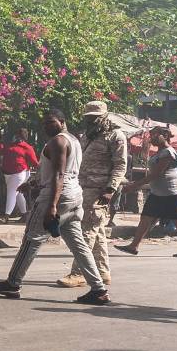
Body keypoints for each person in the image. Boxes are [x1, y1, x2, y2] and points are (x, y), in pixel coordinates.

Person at [0, 108, 110, 305]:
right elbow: (54, 170)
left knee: (32, 239)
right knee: (79, 245)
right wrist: (34, 182)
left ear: (62, 121)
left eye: (51, 122)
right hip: (74, 195)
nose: (46, 126)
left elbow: (60, 174)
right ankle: (98, 289)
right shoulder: (74, 140)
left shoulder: (59, 141)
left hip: (57, 196)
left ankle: (13, 283)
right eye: (44, 123)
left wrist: (51, 205)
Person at [56, 101, 128, 288]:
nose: (91, 121)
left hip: (101, 190)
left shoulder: (116, 136)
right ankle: (103, 272)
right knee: (98, 232)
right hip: (83, 188)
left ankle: (79, 273)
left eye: (94, 118)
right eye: (88, 118)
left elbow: (120, 164)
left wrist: (111, 189)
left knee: (86, 232)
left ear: (104, 116)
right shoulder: (87, 136)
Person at [115, 126, 177, 258]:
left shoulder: (168, 152)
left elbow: (156, 174)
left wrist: (135, 185)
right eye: (151, 135)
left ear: (165, 136)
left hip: (171, 192)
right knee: (146, 218)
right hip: (158, 193)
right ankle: (133, 246)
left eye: (155, 134)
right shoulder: (160, 152)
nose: (152, 137)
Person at [0, 128, 40, 223]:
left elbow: (35, 162)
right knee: (18, 194)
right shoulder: (10, 145)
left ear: (22, 137)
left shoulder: (27, 147)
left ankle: (6, 216)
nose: (15, 137)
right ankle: (24, 215)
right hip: (8, 174)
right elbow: (1, 151)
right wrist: (1, 141)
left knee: (12, 192)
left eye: (18, 136)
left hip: (20, 173)